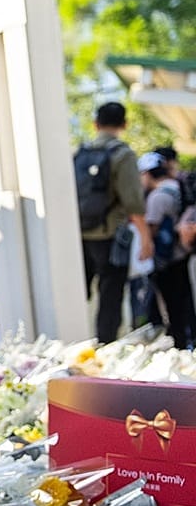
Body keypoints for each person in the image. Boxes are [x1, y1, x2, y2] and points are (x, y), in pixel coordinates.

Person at [78, 102, 150, 343]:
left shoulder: (80, 153)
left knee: (79, 292)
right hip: (111, 236)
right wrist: (146, 239)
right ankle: (105, 346)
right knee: (110, 295)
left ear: (95, 124)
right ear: (124, 124)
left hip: (80, 234)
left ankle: (75, 343)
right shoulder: (123, 154)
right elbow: (133, 203)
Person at [139, 151, 191, 348]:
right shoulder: (178, 187)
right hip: (183, 253)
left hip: (166, 259)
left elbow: (151, 228)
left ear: (147, 174)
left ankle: (179, 344)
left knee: (171, 305)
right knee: (185, 303)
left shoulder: (157, 196)